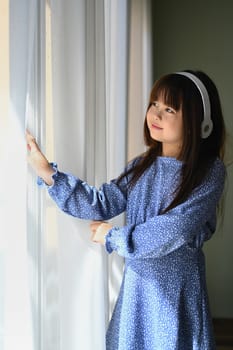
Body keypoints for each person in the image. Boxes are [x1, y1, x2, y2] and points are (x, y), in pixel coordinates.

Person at [26, 70, 226, 350]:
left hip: (176, 295)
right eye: (154, 104)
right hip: (137, 290)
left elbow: (172, 229)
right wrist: (49, 174)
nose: (156, 114)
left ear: (198, 124)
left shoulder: (209, 172)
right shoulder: (140, 166)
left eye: (169, 109)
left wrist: (113, 236)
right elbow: (102, 202)